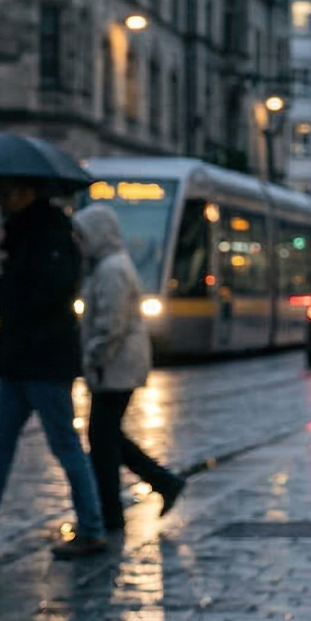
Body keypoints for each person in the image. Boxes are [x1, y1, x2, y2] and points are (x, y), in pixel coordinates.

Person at [0, 180, 109, 559]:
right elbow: (26, 294)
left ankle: (93, 528)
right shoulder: (24, 235)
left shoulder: (50, 237)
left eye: (9, 193)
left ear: (28, 193)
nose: (2, 200)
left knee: (64, 445)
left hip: (44, 361)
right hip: (19, 360)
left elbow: (43, 298)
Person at [71, 205, 184, 536]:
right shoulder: (105, 267)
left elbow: (111, 324)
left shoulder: (112, 270)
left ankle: (113, 511)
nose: (80, 242)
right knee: (107, 437)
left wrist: (94, 356)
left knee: (102, 438)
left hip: (115, 366)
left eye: (83, 235)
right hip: (115, 365)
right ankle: (162, 483)